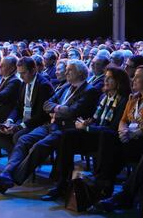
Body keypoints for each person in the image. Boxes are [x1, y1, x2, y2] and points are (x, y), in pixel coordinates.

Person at [0, 60, 100, 194]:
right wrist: (58, 108)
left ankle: (8, 179)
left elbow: (73, 111)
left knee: (38, 145)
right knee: (24, 140)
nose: (66, 72)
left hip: (68, 130)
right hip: (51, 125)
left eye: (70, 70)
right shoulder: (66, 87)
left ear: (80, 73)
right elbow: (46, 104)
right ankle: (6, 174)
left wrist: (55, 109)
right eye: (66, 69)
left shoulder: (90, 91)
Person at [41, 67, 131, 201]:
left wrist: (88, 128)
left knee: (105, 137)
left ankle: (101, 188)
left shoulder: (124, 100)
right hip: (96, 135)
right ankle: (62, 183)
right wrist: (87, 124)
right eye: (105, 77)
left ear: (119, 81)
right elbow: (95, 120)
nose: (105, 80)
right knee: (67, 136)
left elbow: (112, 128)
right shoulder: (103, 97)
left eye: (109, 78)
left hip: (110, 140)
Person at [89, 66, 143, 218]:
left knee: (111, 140)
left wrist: (137, 132)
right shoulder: (133, 99)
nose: (134, 79)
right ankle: (103, 186)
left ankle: (123, 196)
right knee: (109, 138)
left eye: (138, 77)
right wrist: (123, 130)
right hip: (129, 140)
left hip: (139, 140)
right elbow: (123, 120)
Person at [0, 57, 54, 155]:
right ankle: (18, 158)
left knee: (17, 136)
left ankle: (18, 161)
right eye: (19, 73)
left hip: (37, 123)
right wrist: (9, 121)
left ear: (33, 70)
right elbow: (18, 106)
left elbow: (41, 115)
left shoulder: (43, 85)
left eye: (23, 73)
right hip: (23, 119)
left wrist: (19, 127)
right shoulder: (24, 83)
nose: (21, 77)